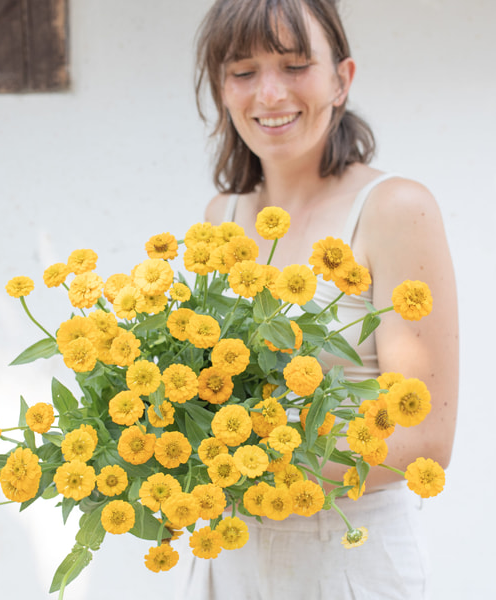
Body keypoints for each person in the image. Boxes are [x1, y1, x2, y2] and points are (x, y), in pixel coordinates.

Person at [175, 0, 459, 598]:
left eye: (295, 65)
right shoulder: (220, 218)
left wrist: (249, 462)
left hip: (350, 558)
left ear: (341, 79)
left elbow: (426, 436)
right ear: (222, 90)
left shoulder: (395, 209)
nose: (270, 93)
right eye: (243, 71)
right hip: (232, 556)